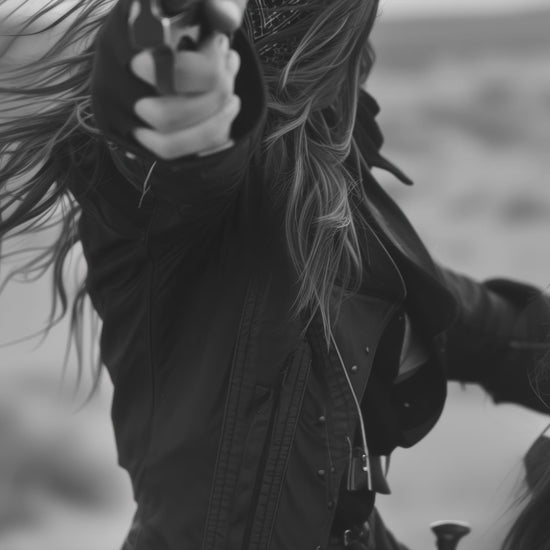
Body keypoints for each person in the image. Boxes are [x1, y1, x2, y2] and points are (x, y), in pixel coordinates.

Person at [0, 0, 549, 549]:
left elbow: (474, 321)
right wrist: (178, 92)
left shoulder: (342, 194)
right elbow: (181, 157)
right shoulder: (196, 189)